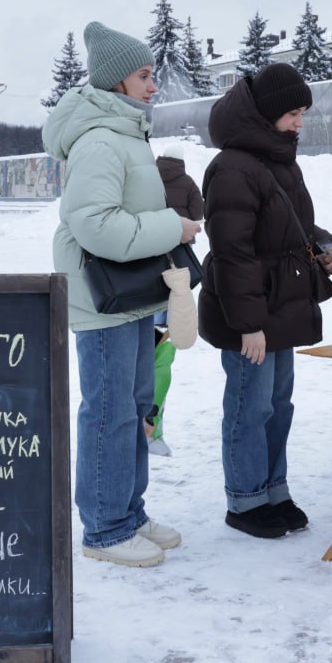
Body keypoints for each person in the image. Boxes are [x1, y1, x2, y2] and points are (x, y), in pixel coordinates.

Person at [43, 21, 202, 568]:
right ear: (115, 82)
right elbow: (95, 224)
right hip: (102, 297)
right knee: (109, 411)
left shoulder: (125, 134)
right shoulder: (99, 141)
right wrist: (172, 227)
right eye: (143, 74)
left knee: (135, 408)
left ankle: (128, 511)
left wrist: (164, 227)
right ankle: (105, 528)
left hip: (130, 293)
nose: (153, 85)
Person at [198, 62, 332, 539]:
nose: (300, 121)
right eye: (292, 113)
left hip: (282, 303)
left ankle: (272, 489)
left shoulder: (280, 159)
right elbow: (231, 252)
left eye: (302, 112)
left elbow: (292, 227)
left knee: (279, 405)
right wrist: (248, 323)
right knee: (249, 405)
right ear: (264, 113)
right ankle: (245, 499)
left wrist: (326, 244)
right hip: (252, 315)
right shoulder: (232, 167)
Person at [144, 142, 205, 457]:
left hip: (143, 270)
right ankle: (153, 431)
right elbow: (199, 211)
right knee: (163, 358)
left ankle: (139, 430)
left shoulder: (148, 177)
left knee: (143, 354)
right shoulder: (188, 182)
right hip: (175, 271)